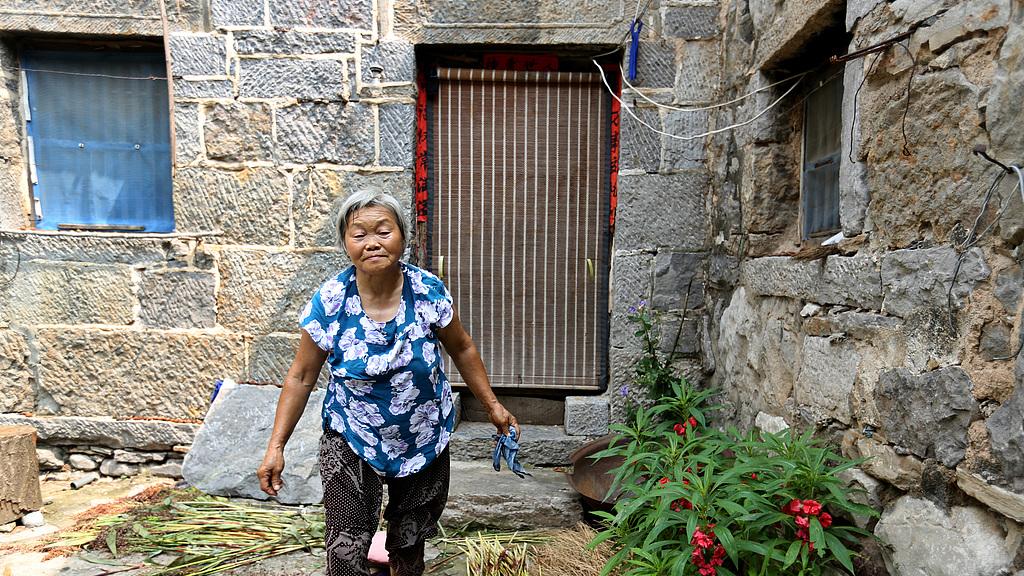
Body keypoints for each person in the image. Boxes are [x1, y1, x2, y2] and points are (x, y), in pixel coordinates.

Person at [256, 188, 520, 576]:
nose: (373, 242)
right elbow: (300, 375)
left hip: (422, 432)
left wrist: (493, 406)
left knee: (409, 544)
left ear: (402, 236)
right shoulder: (330, 300)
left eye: (383, 230)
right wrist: (276, 446)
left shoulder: (427, 290)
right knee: (346, 549)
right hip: (352, 432)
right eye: (359, 234)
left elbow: (462, 348)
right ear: (345, 243)